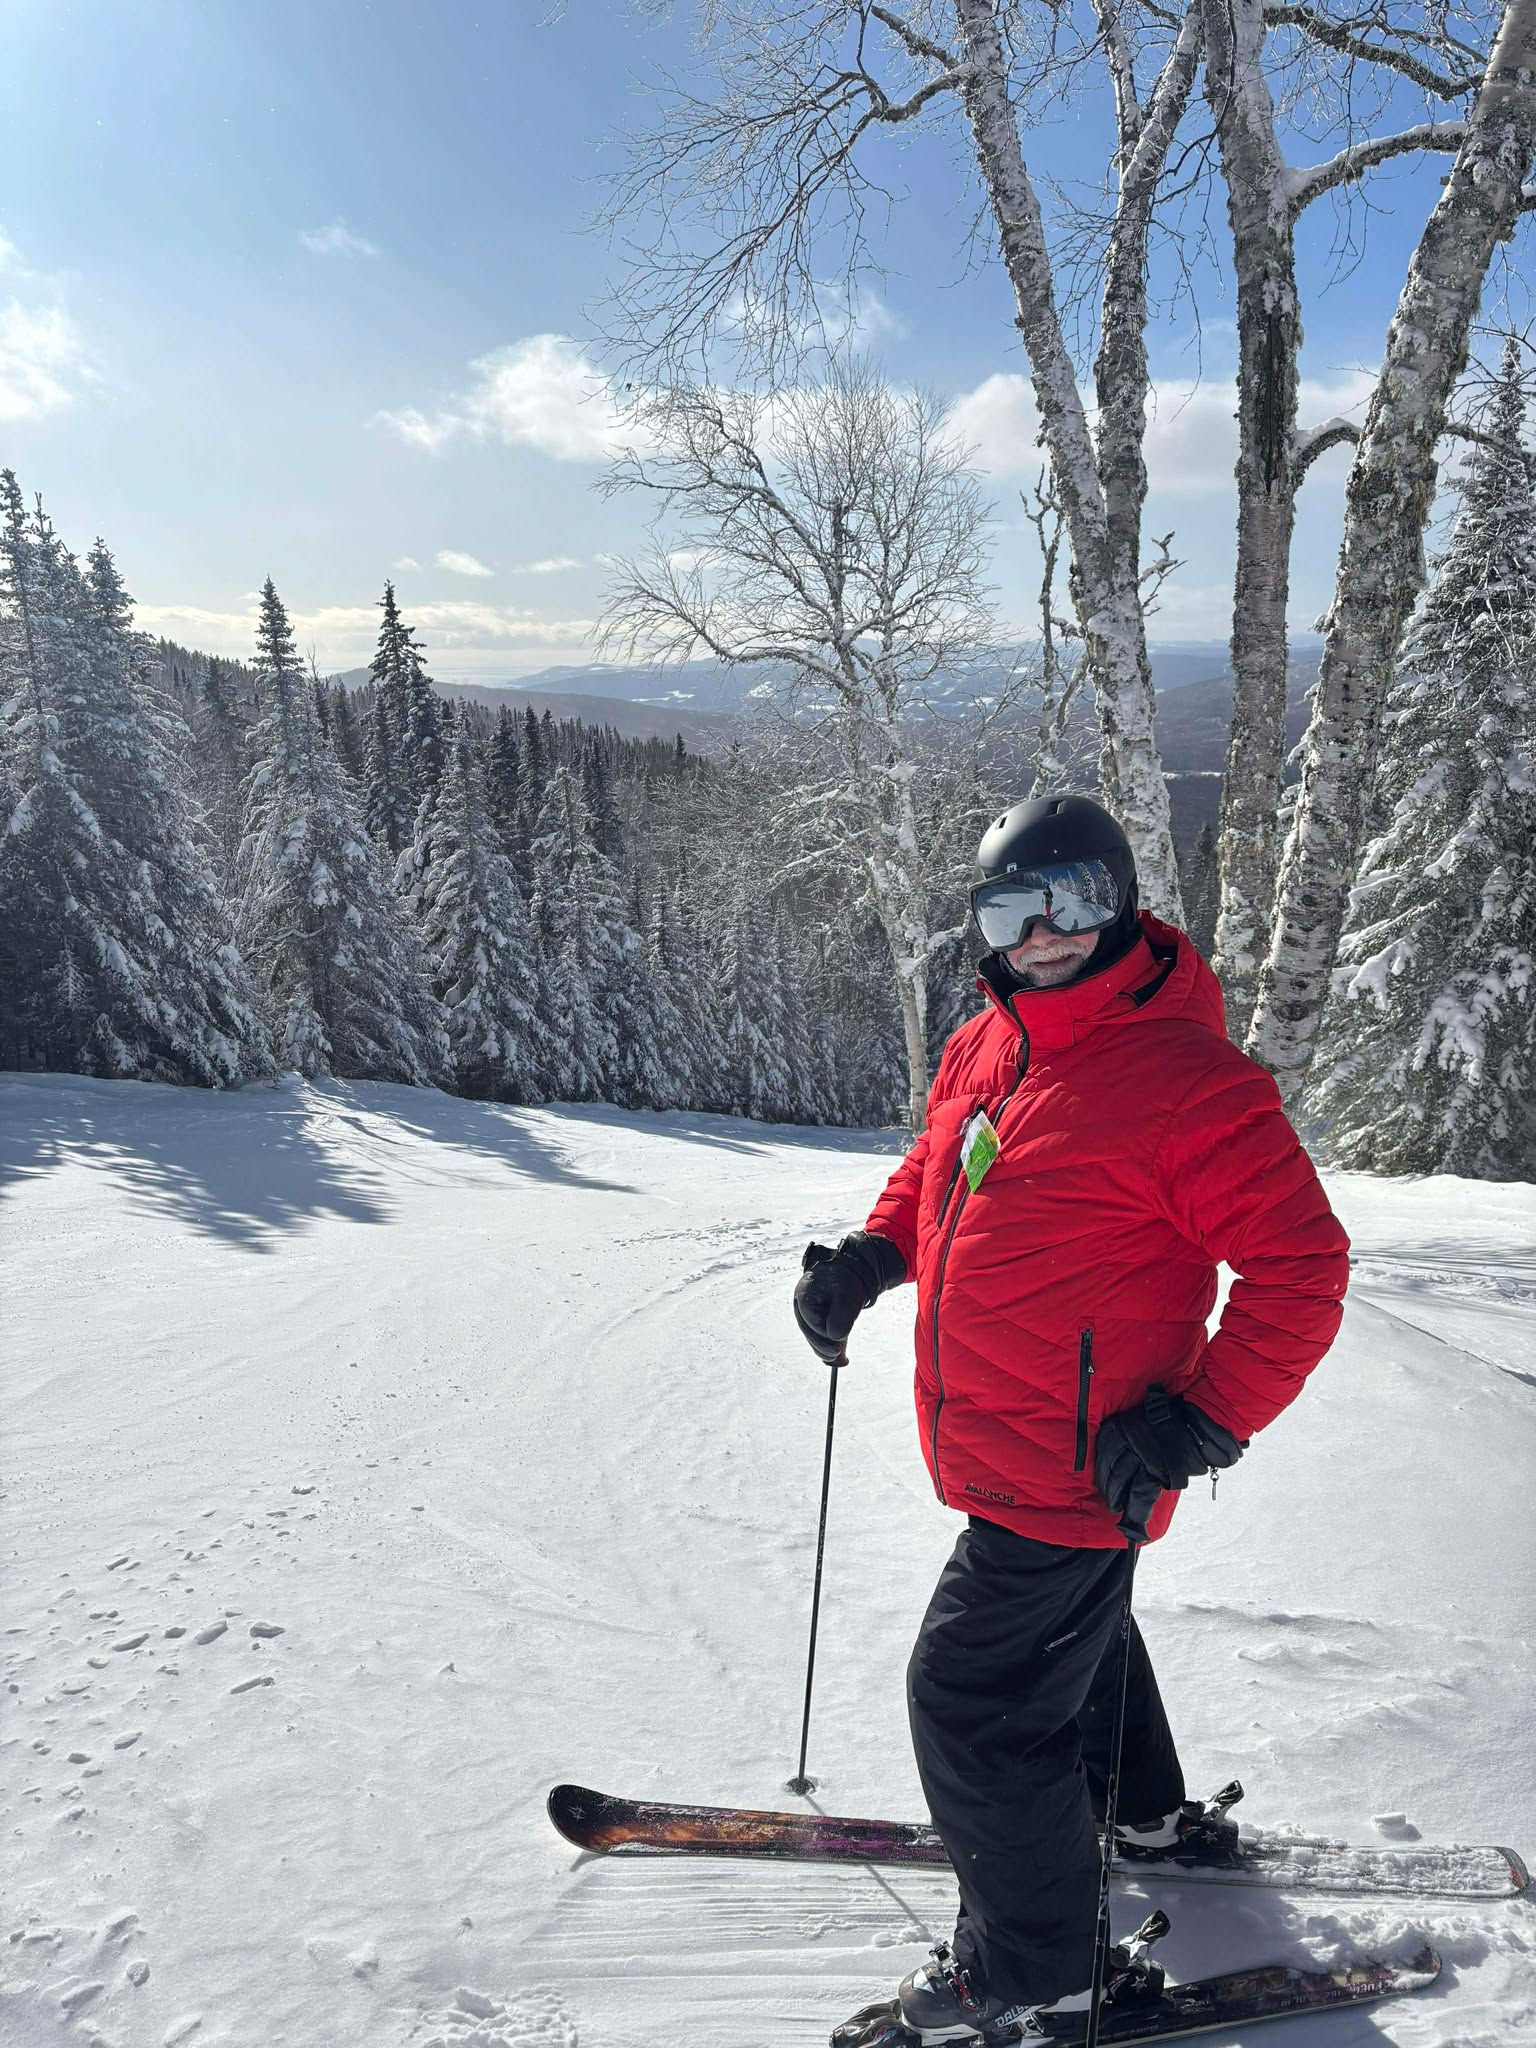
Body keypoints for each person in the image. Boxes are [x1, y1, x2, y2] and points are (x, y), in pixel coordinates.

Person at [795, 795, 1351, 2047]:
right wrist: (872, 1261)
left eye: (1074, 902)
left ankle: (1040, 1970)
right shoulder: (992, 1039)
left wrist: (1200, 1419)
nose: (1041, 932)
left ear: (1125, 901)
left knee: (973, 1695)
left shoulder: (1183, 1080)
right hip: (1015, 1439)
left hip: (1082, 1460)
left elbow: (1304, 1267)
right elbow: (940, 1170)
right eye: (1010, 907)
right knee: (1073, 1637)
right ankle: (1141, 1813)